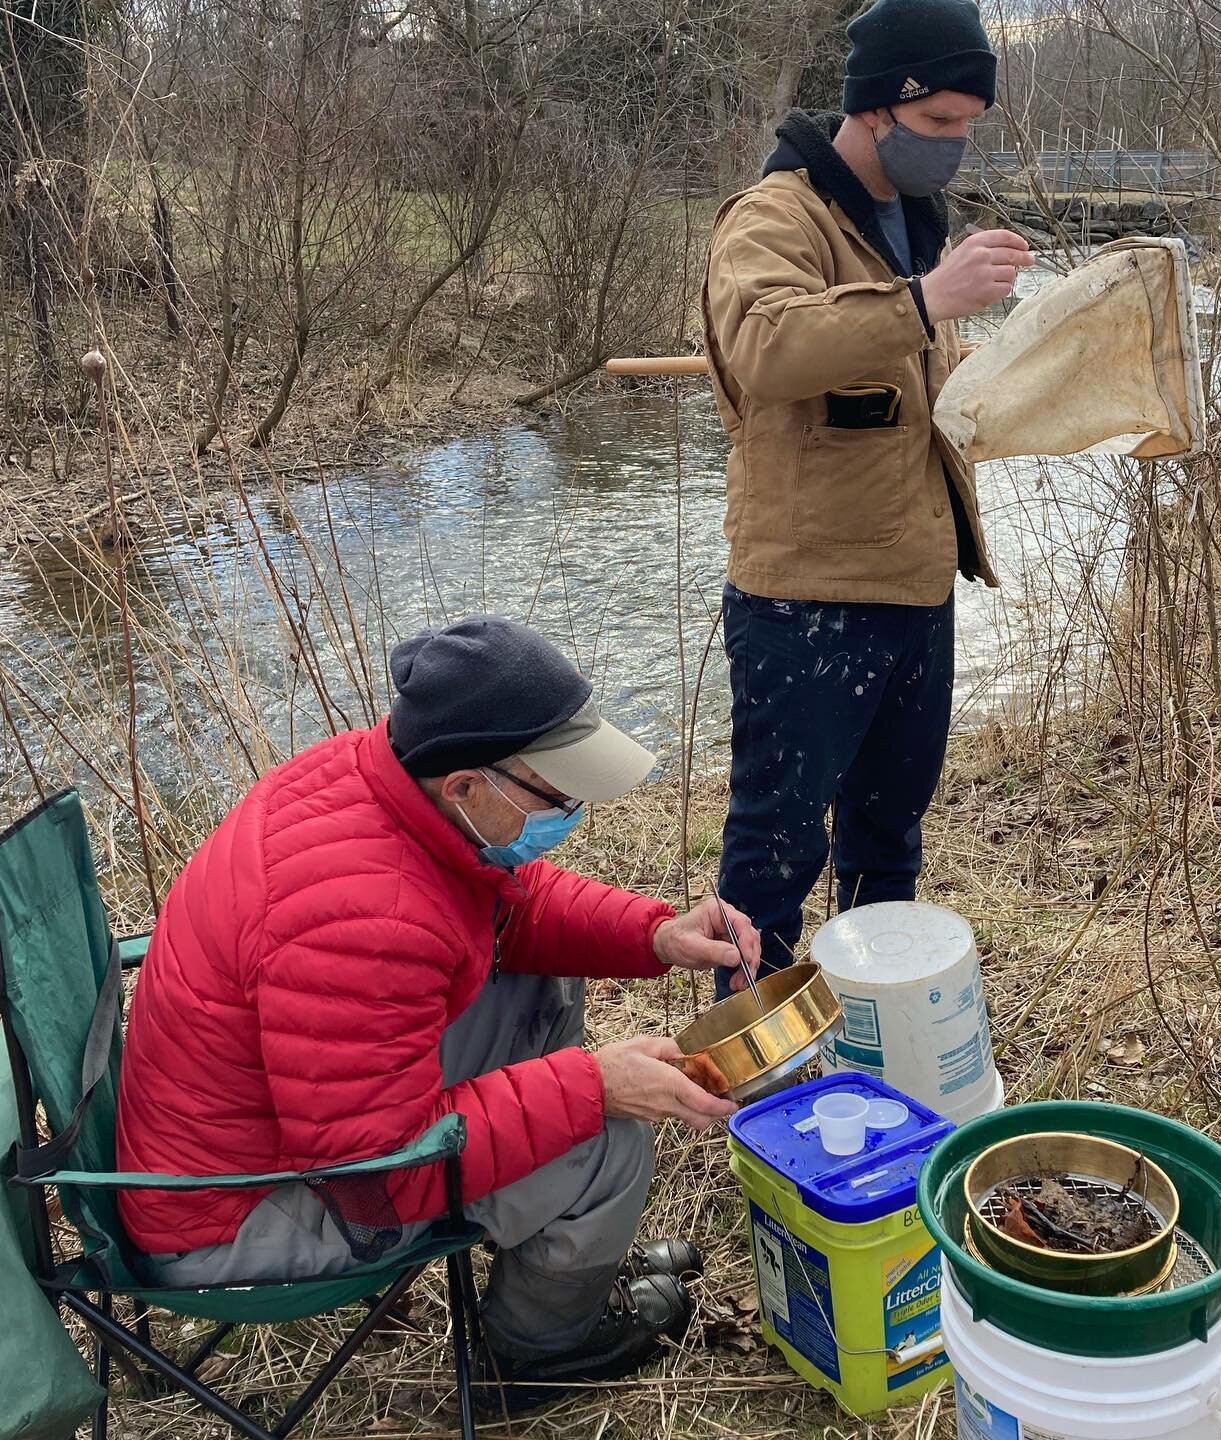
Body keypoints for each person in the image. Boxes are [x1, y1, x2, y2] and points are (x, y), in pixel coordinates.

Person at [116, 615, 761, 1405]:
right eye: (554, 794)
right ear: (465, 786)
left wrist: (656, 933)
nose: (570, 812)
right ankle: (536, 1353)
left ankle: (553, 1247)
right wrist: (594, 1090)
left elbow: (506, 907)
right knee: (607, 1139)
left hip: (273, 1133)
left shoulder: (387, 779)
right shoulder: (358, 918)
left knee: (542, 982)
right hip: (237, 1217)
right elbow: (379, 1178)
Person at [701, 0, 1033, 996]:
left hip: (912, 584)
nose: (954, 146)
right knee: (775, 849)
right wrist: (928, 299)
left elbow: (904, 394)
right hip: (806, 600)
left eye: (967, 126)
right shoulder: (775, 216)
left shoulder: (909, 224)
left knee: (888, 843)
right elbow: (768, 348)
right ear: (878, 109)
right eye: (938, 125)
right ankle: (745, 1071)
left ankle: (881, 1039)